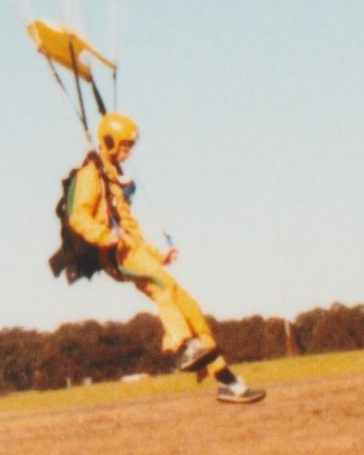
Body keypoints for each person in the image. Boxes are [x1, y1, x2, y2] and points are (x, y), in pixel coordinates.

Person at [59, 112, 263, 404]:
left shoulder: (113, 175)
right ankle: (181, 346)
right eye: (125, 145)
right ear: (110, 141)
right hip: (116, 255)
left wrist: (159, 254)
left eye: (131, 146)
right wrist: (104, 237)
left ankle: (227, 381)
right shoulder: (90, 174)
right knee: (162, 286)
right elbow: (78, 216)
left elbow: (130, 227)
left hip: (134, 251)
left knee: (189, 308)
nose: (129, 152)